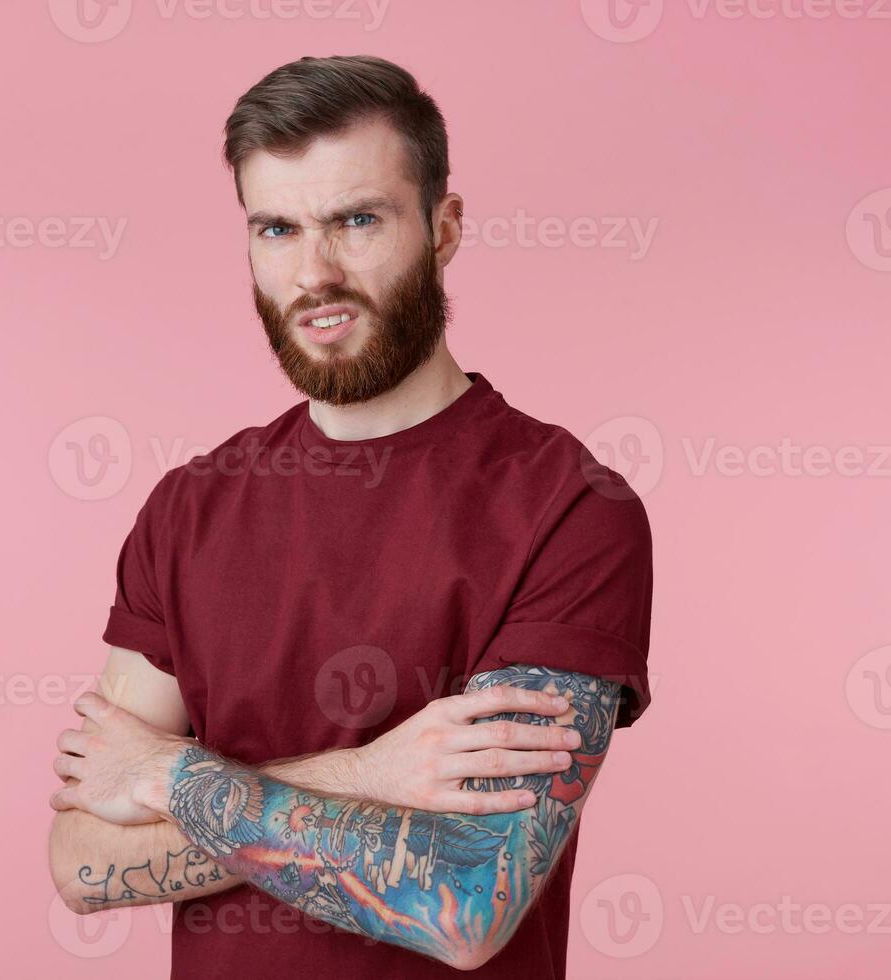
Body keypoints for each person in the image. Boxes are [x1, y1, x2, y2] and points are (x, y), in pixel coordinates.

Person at [47, 54, 653, 978]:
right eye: (277, 228)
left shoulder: (570, 509)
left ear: (444, 228)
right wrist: (365, 773)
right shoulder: (188, 509)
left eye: (356, 221)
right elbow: (84, 863)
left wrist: (168, 776)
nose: (313, 273)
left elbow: (461, 904)